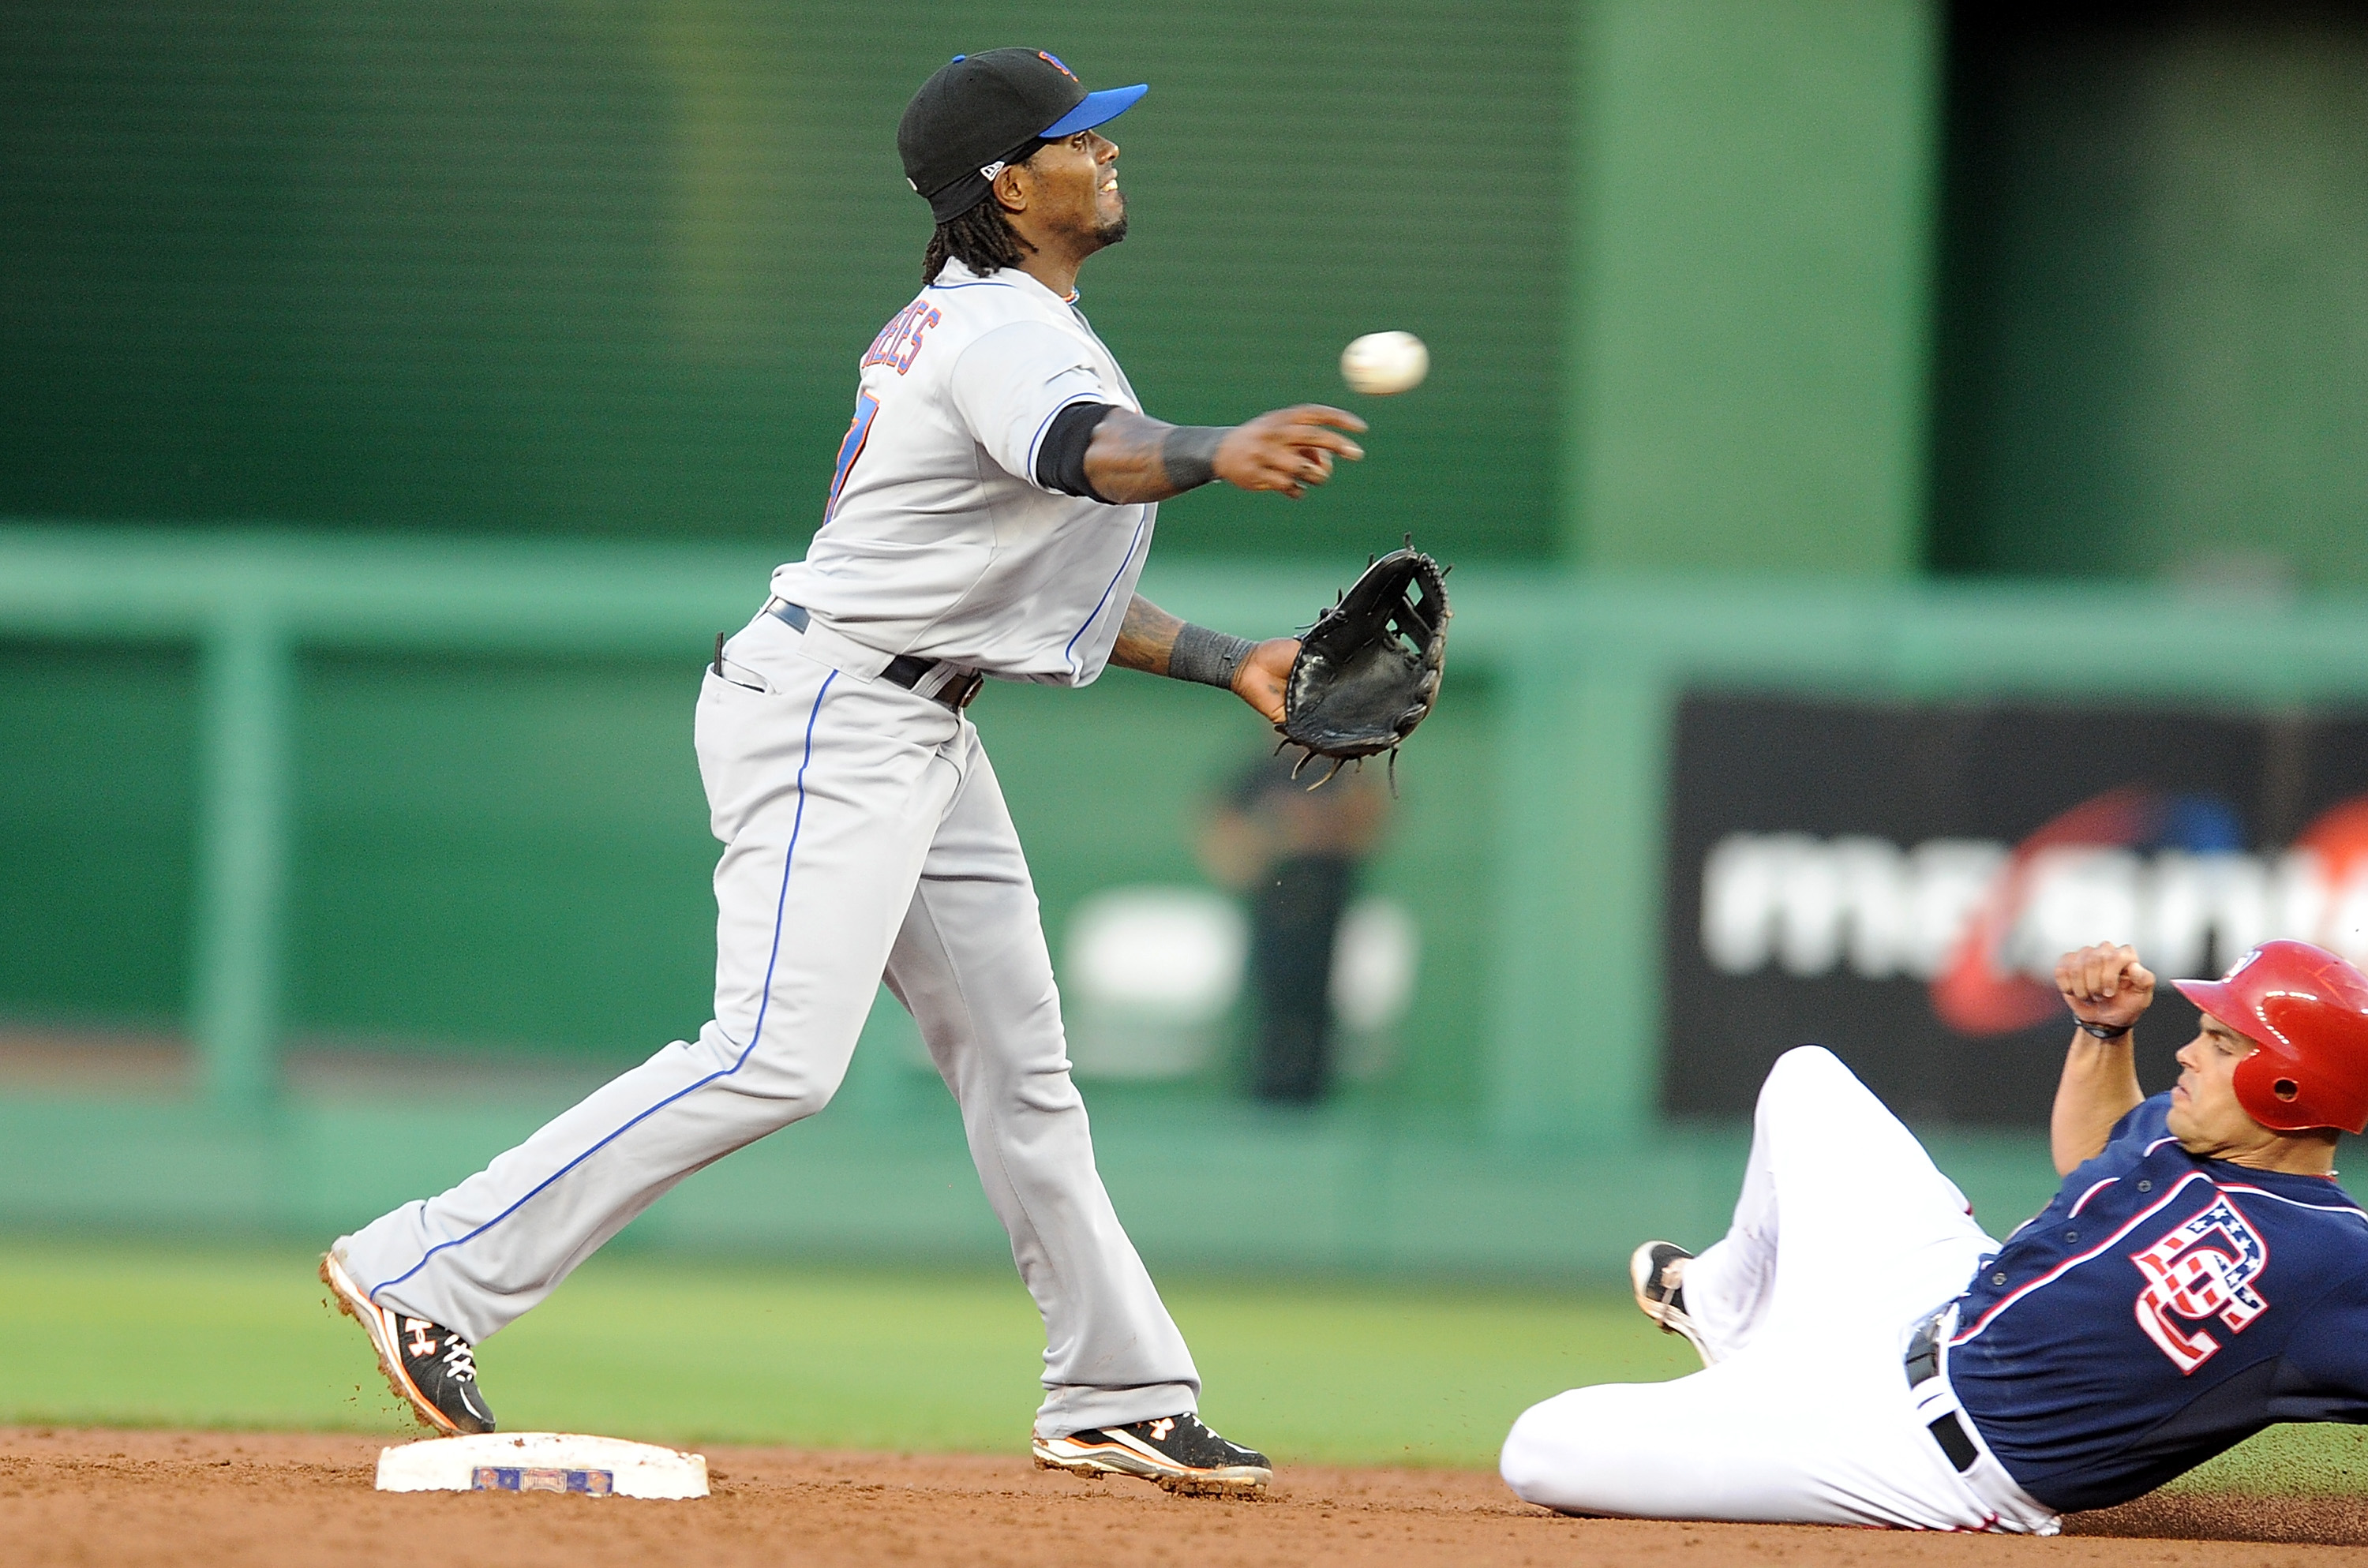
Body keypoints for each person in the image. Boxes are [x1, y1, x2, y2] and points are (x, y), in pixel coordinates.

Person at [318, 46, 1369, 1499]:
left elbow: (1000, 583)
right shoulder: (1008, 338)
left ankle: (1117, 1386)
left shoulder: (995, 321)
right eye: (1079, 140)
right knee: (771, 1055)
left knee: (1022, 1070)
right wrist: (1212, 448)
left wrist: (1230, 658)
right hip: (837, 717)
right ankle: (425, 1262)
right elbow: (1086, 455)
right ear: (1009, 183)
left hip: (911, 718)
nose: (1109, 154)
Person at [1500, 937, 2368, 1531]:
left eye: (2222, 1042)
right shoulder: (2183, 1131)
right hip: (1939, 1302)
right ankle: (1728, 1313)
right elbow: (2087, 1159)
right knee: (1807, 1083)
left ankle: (1771, 1375)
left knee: (1541, 1447)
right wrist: (2105, 1032)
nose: (2189, 1053)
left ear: (2290, 1086)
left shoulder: (2333, 1261)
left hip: (1932, 1457)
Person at [1197, 750, 1390, 1103]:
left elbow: (1369, 823)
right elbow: (1225, 845)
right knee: (1271, 1015)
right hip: (1272, 913)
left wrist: (1309, 829)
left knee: (1319, 1015)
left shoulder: (1344, 766)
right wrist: (1274, 838)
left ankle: (1310, 1102)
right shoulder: (1261, 771)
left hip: (1327, 912)